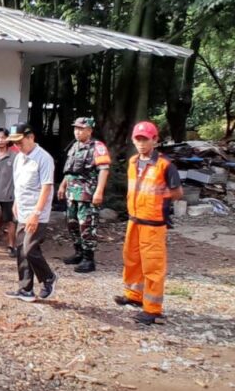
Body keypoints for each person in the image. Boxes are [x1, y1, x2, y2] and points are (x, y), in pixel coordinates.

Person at [116, 121, 183, 325]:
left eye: (146, 139)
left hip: (153, 224)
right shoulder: (133, 162)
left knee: (153, 265)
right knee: (132, 259)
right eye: (138, 139)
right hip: (134, 219)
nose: (142, 143)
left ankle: (152, 309)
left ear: (155, 140)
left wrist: (159, 198)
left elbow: (178, 193)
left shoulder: (165, 165)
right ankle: (134, 295)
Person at [3, 123, 56, 303]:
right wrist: (16, 202)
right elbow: (19, 183)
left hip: (37, 212)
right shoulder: (19, 158)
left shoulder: (44, 158)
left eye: (20, 142)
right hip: (23, 210)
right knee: (21, 249)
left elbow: (46, 187)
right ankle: (25, 289)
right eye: (15, 143)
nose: (17, 146)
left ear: (31, 137)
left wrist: (36, 212)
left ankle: (48, 277)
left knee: (29, 247)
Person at [57, 117, 111, 273]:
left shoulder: (97, 147)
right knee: (72, 224)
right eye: (76, 128)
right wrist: (62, 185)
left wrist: (99, 191)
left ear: (89, 130)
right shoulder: (74, 146)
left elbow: (104, 170)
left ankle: (89, 259)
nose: (77, 131)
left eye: (81, 129)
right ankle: (79, 253)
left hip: (87, 194)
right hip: (72, 193)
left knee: (86, 226)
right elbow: (70, 170)